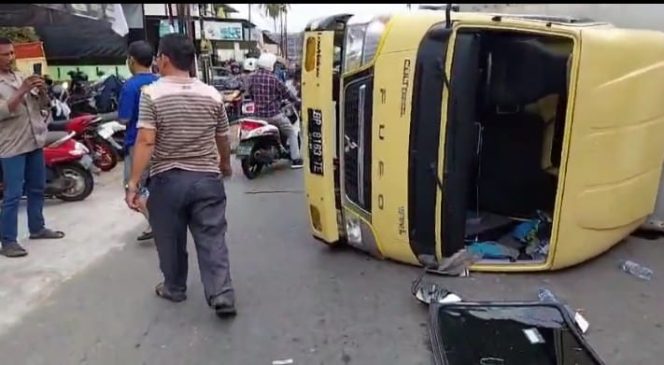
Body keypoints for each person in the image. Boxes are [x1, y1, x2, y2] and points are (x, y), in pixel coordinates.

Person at [125, 33, 236, 317]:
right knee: (212, 236)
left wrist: (133, 183)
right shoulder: (212, 94)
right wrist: (225, 164)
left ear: (163, 59)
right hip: (207, 178)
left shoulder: (153, 94)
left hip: (168, 179)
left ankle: (174, 288)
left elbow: (146, 140)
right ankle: (221, 293)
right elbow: (223, 136)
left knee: (170, 238)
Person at [0, 37, 64, 258]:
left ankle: (37, 228)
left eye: (11, 53)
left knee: (37, 187)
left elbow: (41, 106)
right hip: (11, 145)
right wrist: (21, 90)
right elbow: (2, 111)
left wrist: (42, 91)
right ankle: (8, 241)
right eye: (4, 54)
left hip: (34, 140)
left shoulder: (19, 76)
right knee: (13, 194)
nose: (9, 58)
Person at [118, 40, 159, 242]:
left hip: (138, 142)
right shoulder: (160, 81)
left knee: (134, 186)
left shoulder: (130, 86)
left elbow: (124, 118)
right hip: (160, 140)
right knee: (155, 184)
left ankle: (157, 225)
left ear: (131, 60)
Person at [247, 53, 303, 168]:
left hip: (257, 116)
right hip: (274, 115)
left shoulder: (251, 78)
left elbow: (250, 94)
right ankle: (296, 160)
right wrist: (297, 100)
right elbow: (287, 93)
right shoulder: (274, 79)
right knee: (291, 132)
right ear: (270, 65)